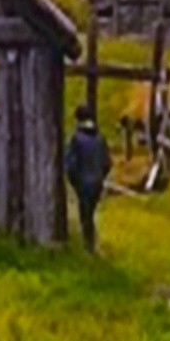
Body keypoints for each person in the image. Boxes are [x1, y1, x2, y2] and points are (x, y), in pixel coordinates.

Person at [61, 102, 109, 248]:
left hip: (83, 183)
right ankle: (90, 243)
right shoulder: (100, 138)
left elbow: (70, 164)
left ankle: (88, 244)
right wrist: (101, 176)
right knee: (91, 213)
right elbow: (107, 163)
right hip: (97, 182)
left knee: (85, 214)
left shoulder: (76, 139)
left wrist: (74, 181)